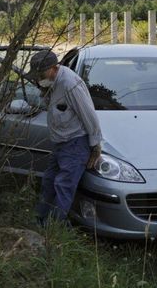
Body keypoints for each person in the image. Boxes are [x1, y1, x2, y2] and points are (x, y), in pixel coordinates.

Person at [29, 49, 103, 224]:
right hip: (59, 142)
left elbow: (89, 115)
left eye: (41, 73)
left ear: (54, 68)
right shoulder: (51, 83)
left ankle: (52, 227)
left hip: (76, 143)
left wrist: (95, 145)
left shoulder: (70, 84)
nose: (38, 77)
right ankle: (39, 218)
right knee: (49, 181)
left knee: (64, 185)